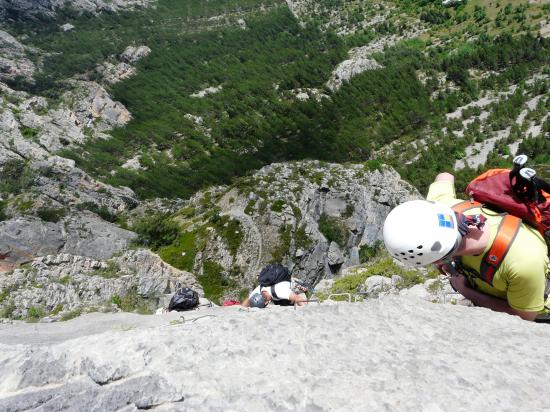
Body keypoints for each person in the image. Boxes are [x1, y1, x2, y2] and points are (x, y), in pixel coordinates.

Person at [383, 172, 549, 321]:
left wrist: (465, 290)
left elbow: (526, 317)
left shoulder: (524, 260)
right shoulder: (444, 207)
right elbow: (444, 176)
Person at [241, 279, 309, 308]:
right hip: (282, 288)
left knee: (292, 301)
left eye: (266, 304)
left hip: (297, 286)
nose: (268, 303)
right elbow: (248, 300)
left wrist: (307, 310)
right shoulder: (257, 292)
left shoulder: (280, 291)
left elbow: (298, 298)